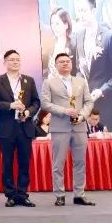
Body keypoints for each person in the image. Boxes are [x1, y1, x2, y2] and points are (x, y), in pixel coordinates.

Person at [41, 52, 95, 206]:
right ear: (55, 65)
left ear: (71, 64)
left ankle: (79, 194)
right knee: (58, 163)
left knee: (80, 162)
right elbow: (45, 103)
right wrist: (64, 111)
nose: (65, 63)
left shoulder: (81, 81)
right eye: (61, 62)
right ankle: (60, 194)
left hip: (79, 127)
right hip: (60, 128)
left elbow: (89, 102)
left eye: (67, 61)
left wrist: (82, 116)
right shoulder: (49, 82)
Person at [0, 50, 40, 207]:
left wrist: (28, 112)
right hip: (6, 128)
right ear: (5, 62)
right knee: (7, 163)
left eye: (17, 59)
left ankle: (23, 194)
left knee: (24, 162)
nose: (15, 62)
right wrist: (10, 105)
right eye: (11, 60)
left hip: (25, 127)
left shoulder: (28, 80)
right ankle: (10, 195)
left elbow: (36, 102)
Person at [74, 0, 112, 130]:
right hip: (85, 104)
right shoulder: (78, 36)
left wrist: (101, 90)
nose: (80, 14)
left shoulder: (108, 37)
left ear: (93, 10)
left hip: (105, 102)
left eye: (83, 10)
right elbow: (78, 68)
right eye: (78, 11)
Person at [45, 7, 76, 79]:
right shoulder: (50, 45)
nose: (54, 27)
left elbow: (76, 70)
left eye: (57, 24)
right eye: (52, 23)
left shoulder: (73, 45)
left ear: (66, 25)